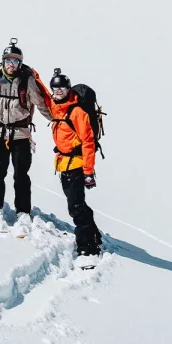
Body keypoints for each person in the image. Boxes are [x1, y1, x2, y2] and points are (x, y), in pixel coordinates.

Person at [0, 39, 51, 218]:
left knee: (21, 175)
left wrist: (55, 120)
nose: (11, 65)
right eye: (8, 60)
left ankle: (22, 211)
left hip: (21, 135)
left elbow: (40, 103)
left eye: (15, 61)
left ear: (19, 63)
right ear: (3, 61)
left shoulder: (26, 80)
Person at [47, 68, 102, 258]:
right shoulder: (55, 106)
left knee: (75, 207)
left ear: (69, 89)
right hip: (63, 163)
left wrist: (88, 172)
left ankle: (88, 248)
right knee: (78, 204)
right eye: (55, 88)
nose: (59, 91)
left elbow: (88, 141)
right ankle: (94, 234)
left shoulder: (77, 111)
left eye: (62, 88)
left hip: (78, 164)